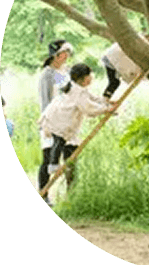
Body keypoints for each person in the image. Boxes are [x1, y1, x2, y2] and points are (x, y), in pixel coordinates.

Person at [39, 63, 118, 188]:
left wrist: (105, 101)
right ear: (83, 78)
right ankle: (53, 165)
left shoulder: (77, 88)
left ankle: (57, 170)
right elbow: (88, 109)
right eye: (89, 76)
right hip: (58, 121)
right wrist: (106, 109)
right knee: (59, 141)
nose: (91, 78)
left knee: (60, 142)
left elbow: (92, 98)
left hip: (57, 118)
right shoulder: (78, 93)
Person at [38, 40, 73, 205]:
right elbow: (45, 100)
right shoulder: (47, 74)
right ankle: (43, 194)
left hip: (68, 122)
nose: (66, 56)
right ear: (55, 55)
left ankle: (72, 197)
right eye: (63, 53)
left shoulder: (68, 72)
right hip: (51, 121)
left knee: (70, 159)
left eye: (67, 53)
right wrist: (46, 124)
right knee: (48, 159)